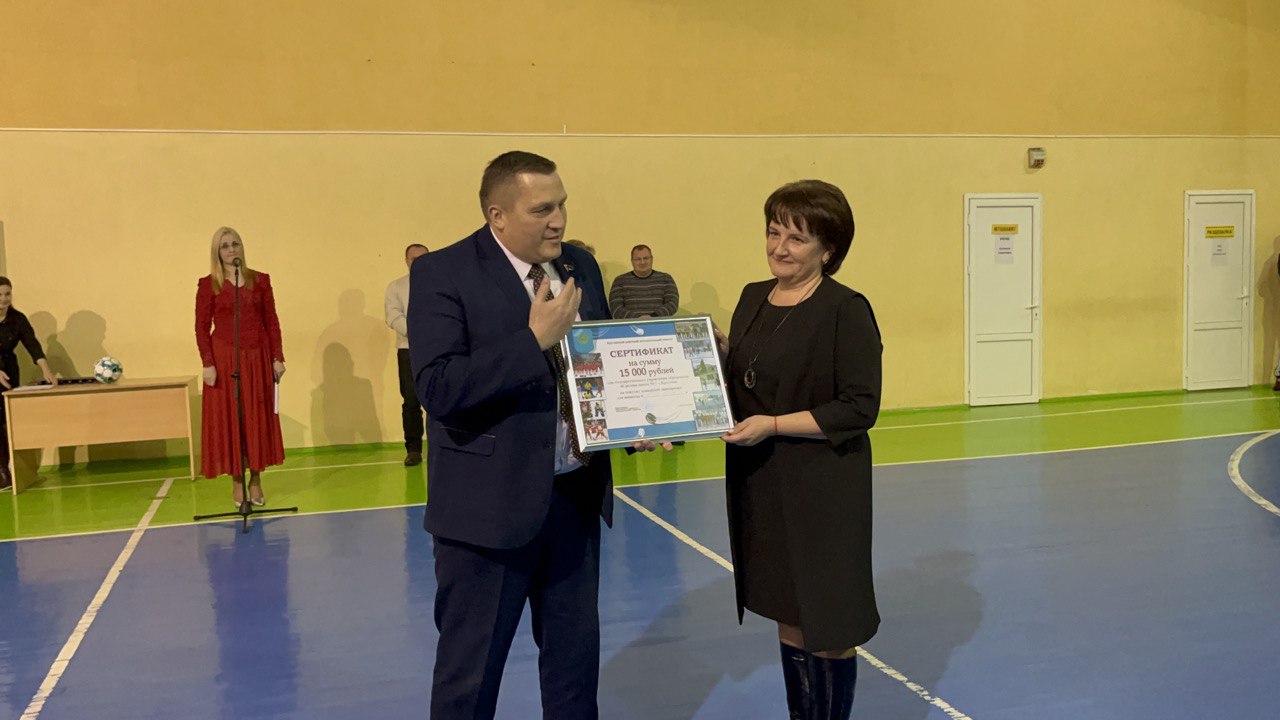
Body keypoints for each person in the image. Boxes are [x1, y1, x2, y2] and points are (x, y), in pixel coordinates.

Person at [409, 151, 665, 720]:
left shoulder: (580, 265)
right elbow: (438, 387)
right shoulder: (442, 274)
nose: (559, 221)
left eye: (562, 205)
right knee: (469, 682)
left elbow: (598, 366)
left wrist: (633, 419)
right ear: (497, 216)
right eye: (542, 209)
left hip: (573, 502)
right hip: (485, 518)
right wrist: (532, 342)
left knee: (574, 675)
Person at [718, 180, 882, 720]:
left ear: (828, 250)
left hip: (824, 490)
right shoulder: (751, 297)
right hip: (765, 485)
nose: (780, 248)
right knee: (789, 614)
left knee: (829, 627)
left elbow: (858, 408)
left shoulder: (845, 309)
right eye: (773, 232)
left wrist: (773, 425)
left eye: (797, 238)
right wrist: (710, 354)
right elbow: (748, 378)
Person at [196, 227, 286, 508]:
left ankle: (255, 480)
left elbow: (271, 321)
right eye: (225, 246)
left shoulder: (260, 280)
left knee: (255, 416)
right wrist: (208, 363)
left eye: (235, 244)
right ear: (217, 251)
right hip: (225, 359)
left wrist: (277, 357)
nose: (231, 249)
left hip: (258, 357)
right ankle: (237, 481)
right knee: (231, 419)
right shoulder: (208, 283)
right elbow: (201, 327)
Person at [0, 277, 59, 488]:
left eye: (7, 294)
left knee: (8, 419)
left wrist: (47, 371)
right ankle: (2, 470)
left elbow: (32, 345)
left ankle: (14, 468)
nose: (4, 298)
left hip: (9, 370)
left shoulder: (18, 319)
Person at [385, 243, 430, 465]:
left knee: (440, 398)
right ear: (406, 261)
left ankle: (442, 446)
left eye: (423, 258)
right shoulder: (396, 287)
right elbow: (393, 316)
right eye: (414, 259)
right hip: (408, 350)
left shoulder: (443, 282)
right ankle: (413, 449)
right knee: (411, 400)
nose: (419, 262)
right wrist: (419, 333)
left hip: (439, 349)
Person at [608, 244, 679, 318]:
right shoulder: (620, 281)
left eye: (646, 258)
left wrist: (653, 317)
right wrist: (638, 319)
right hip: (631, 325)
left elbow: (672, 304)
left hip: (659, 324)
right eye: (638, 259)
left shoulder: (666, 279)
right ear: (632, 261)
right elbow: (615, 308)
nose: (642, 262)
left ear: (652, 259)